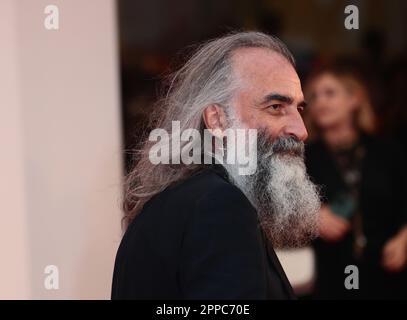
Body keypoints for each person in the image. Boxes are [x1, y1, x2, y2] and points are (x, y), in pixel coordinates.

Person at [111, 31, 321, 299]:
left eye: (299, 109)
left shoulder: (178, 199)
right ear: (217, 120)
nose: (300, 130)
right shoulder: (220, 206)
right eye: (276, 106)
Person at [304, 61, 407, 299]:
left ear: (355, 99)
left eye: (330, 93)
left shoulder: (387, 150)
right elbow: (275, 208)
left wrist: (404, 239)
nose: (320, 102)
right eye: (314, 96)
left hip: (388, 274)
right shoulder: (303, 156)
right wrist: (311, 215)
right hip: (328, 277)